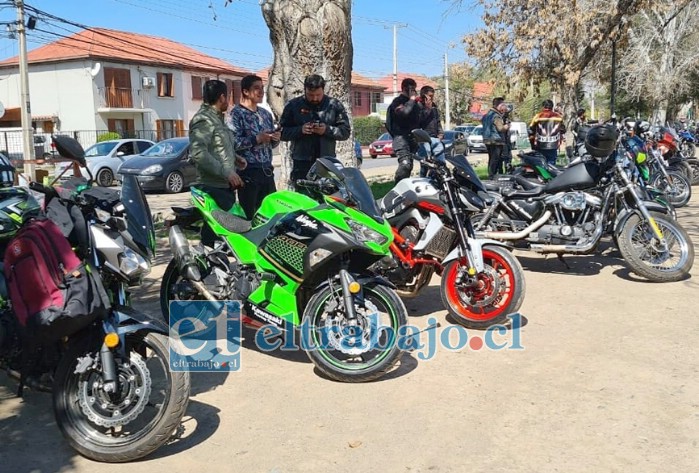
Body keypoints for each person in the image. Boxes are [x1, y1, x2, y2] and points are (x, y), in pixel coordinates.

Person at [189, 79, 246, 244]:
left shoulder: (217, 119)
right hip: (212, 187)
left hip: (223, 186)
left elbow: (218, 147)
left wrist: (235, 158)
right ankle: (203, 268)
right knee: (219, 237)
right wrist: (226, 172)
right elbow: (198, 153)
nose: (227, 101)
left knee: (224, 237)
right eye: (227, 97)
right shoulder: (203, 120)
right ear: (222, 97)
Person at [280, 74, 351, 187]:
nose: (314, 98)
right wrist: (300, 130)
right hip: (302, 163)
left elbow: (345, 132)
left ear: (323, 89)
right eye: (310, 95)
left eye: (318, 95)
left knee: (327, 199)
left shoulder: (334, 105)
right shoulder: (293, 105)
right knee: (303, 199)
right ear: (304, 90)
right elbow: (281, 133)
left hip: (326, 162)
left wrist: (327, 130)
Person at [230, 74, 280, 219]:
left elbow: (271, 143)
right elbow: (233, 143)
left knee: (271, 213)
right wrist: (256, 139)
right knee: (250, 215)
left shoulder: (265, 114)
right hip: (248, 171)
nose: (261, 92)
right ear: (245, 91)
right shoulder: (236, 114)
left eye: (262, 88)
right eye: (256, 88)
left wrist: (275, 139)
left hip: (267, 170)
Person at [386, 78, 422, 184]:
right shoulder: (397, 102)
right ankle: (398, 187)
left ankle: (405, 189)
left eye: (414, 88)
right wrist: (411, 100)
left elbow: (420, 120)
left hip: (412, 139)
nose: (412, 91)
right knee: (405, 164)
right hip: (400, 137)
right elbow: (404, 113)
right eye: (410, 88)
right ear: (404, 88)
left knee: (409, 166)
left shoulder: (415, 104)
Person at [528, 99, 566, 166]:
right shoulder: (558, 117)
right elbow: (563, 130)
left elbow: (531, 130)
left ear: (543, 107)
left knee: (541, 164)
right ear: (552, 107)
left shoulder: (538, 116)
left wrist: (532, 143)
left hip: (540, 145)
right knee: (551, 165)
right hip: (553, 145)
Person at [417, 85, 444, 177]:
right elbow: (419, 121)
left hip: (435, 138)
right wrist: (427, 108)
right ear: (423, 95)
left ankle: (438, 181)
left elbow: (437, 120)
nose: (431, 98)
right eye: (430, 96)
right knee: (426, 163)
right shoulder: (418, 106)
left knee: (440, 162)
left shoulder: (434, 107)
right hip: (423, 139)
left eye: (433, 96)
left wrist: (440, 133)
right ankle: (424, 180)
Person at [481, 97, 510, 179]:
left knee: (491, 158)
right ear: (499, 105)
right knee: (496, 159)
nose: (504, 107)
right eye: (503, 105)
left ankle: (491, 174)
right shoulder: (496, 116)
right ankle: (492, 176)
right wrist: (507, 126)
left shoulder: (486, 115)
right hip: (496, 140)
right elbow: (500, 128)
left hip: (487, 140)